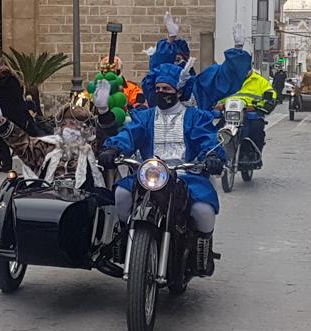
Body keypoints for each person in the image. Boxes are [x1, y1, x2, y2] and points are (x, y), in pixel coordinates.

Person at [99, 62, 225, 276]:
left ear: (178, 90)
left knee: (203, 210)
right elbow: (130, 134)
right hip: (150, 173)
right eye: (157, 89)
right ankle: (122, 236)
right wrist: (113, 148)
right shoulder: (146, 117)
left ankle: (202, 252)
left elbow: (207, 139)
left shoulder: (194, 116)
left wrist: (211, 155)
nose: (161, 93)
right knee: (121, 194)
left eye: (166, 89)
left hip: (186, 176)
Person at [0, 80, 118, 190]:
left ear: (85, 128)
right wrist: (1, 121)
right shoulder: (49, 145)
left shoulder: (91, 146)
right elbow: (23, 145)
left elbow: (107, 137)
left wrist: (103, 111)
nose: (69, 127)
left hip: (85, 202)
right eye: (66, 122)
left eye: (75, 123)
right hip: (52, 200)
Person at [143, 16, 252, 112]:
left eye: (179, 59)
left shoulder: (199, 88)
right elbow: (157, 73)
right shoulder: (154, 96)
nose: (161, 91)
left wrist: (238, 51)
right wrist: (170, 40)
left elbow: (224, 78)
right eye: (160, 89)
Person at [221, 69, 277, 155]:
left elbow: (270, 94)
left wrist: (267, 105)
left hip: (251, 113)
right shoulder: (227, 80)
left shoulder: (259, 81)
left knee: (256, 130)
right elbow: (217, 94)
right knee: (214, 131)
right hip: (229, 113)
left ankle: (254, 154)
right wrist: (217, 105)